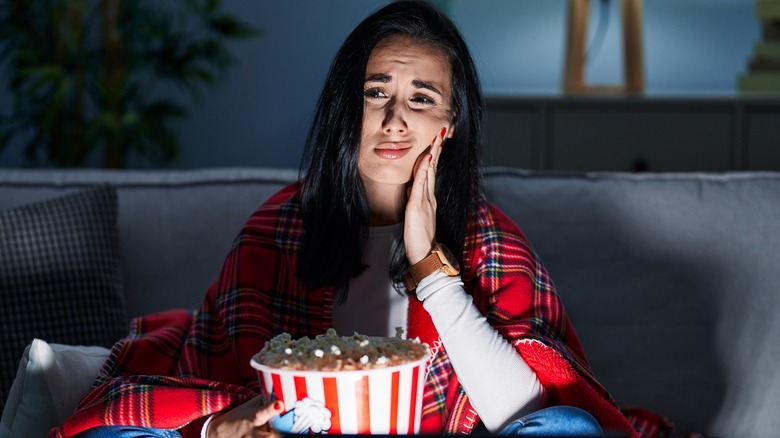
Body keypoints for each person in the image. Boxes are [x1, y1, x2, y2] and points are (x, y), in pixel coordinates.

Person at [52, 1, 640, 437]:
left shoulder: (490, 240)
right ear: (344, 107)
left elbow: (531, 416)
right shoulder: (278, 229)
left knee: (568, 429)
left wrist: (430, 270)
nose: (394, 122)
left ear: (450, 124)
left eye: (422, 98)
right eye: (376, 93)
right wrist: (216, 429)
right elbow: (216, 386)